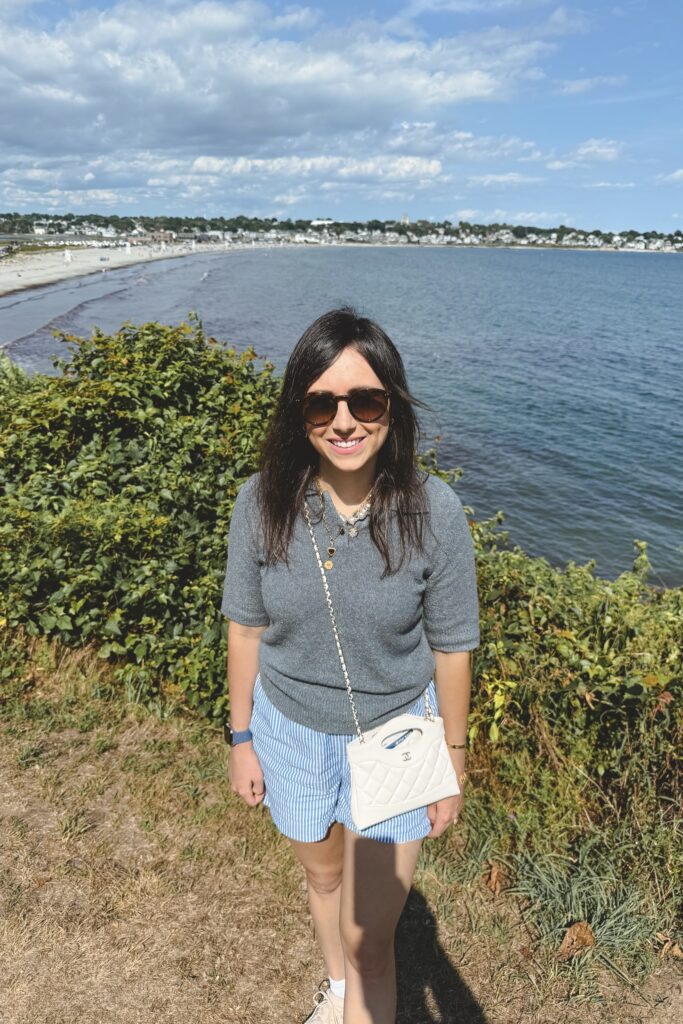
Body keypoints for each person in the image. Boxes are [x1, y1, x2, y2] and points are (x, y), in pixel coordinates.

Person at [221, 307, 480, 1024]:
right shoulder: (262, 503)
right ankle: (335, 991)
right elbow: (245, 628)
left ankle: (356, 989)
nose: (344, 421)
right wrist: (241, 738)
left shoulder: (435, 513)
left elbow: (452, 646)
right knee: (324, 880)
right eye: (321, 402)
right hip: (289, 733)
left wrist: (452, 759)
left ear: (391, 406)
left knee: (371, 939)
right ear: (297, 411)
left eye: (364, 401)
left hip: (396, 738)